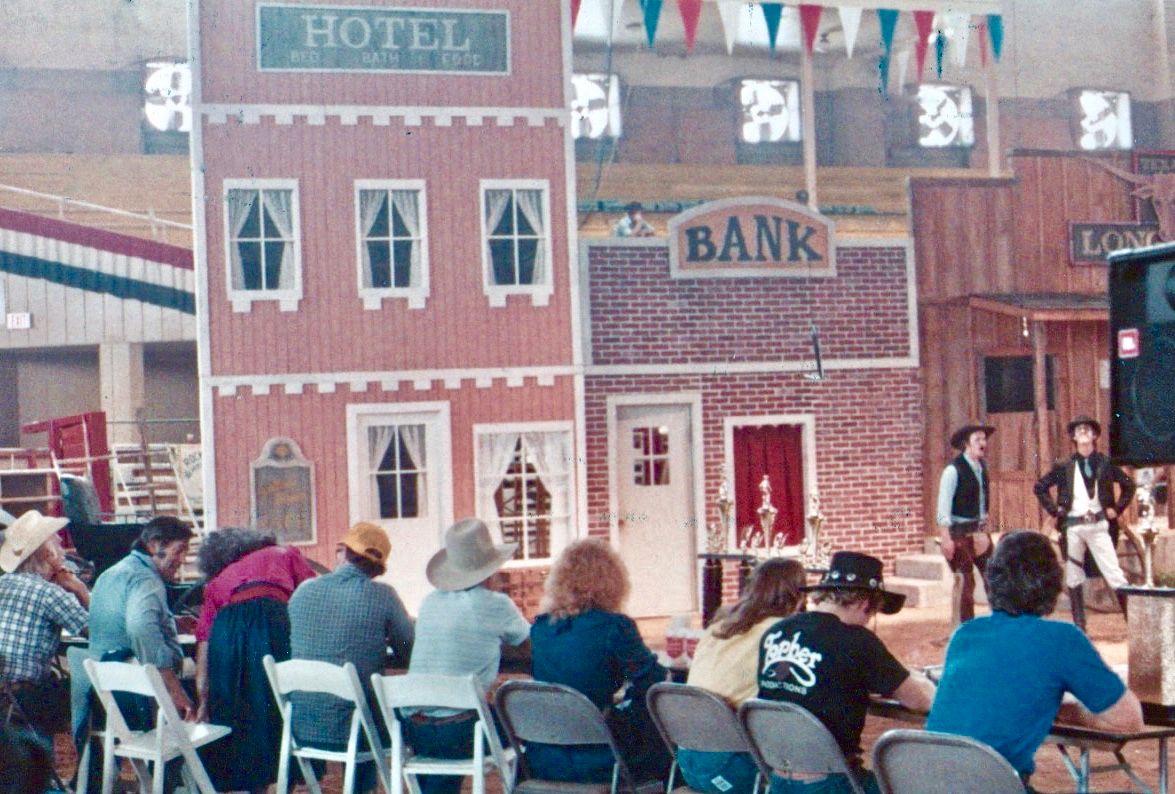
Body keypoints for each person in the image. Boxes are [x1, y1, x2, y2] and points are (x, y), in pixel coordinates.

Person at [926, 531, 1142, 788]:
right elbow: (1129, 720)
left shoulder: (965, 635)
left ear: (993, 580)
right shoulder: (1061, 640)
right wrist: (1068, 712)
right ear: (1052, 583)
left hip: (931, 783)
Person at [757, 551, 935, 794]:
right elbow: (921, 700)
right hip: (833, 783)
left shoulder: (777, 631)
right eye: (872, 615)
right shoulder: (857, 641)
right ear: (864, 604)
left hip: (778, 780)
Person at [528, 539, 671, 786]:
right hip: (598, 756)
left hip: (544, 756)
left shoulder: (541, 628)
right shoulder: (615, 627)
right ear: (611, 581)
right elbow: (654, 681)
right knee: (659, 729)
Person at [404, 518, 530, 794]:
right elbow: (531, 645)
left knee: (460, 719)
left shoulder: (429, 602)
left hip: (415, 731)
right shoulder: (496, 604)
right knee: (528, 720)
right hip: (461, 734)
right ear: (491, 569)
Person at [288, 521, 414, 794]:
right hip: (358, 731)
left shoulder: (302, 592)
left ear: (342, 551)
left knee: (356, 701)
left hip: (301, 726)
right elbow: (409, 650)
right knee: (372, 704)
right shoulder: (383, 595)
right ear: (376, 568)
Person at [194, 527, 317, 793]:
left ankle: (248, 784)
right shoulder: (283, 553)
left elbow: (204, 639)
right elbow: (311, 594)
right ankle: (284, 775)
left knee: (234, 703)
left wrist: (204, 699)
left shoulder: (217, 581)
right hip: (271, 619)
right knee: (274, 700)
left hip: (226, 630)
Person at [678, 558, 808, 794]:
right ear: (798, 595)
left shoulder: (718, 627)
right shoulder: (783, 634)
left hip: (688, 760)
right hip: (734, 768)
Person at [1033, 414, 1136, 630]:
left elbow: (1129, 485)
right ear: (1073, 437)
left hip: (1099, 526)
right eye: (1079, 430)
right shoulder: (1064, 465)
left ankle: (1133, 625)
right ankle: (1080, 627)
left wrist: (1116, 509)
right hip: (1073, 527)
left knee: (1114, 573)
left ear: (1095, 435)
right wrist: (1055, 510)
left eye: (1088, 430)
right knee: (1073, 575)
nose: (1083, 433)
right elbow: (1040, 486)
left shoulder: (1106, 463)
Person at [88, 515, 195, 715]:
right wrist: (175, 689)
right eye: (179, 550)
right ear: (154, 546)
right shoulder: (147, 580)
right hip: (139, 694)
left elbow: (118, 619)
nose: (182, 560)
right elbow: (141, 629)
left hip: (106, 691)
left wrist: (170, 621)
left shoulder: (111, 573)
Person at [0, 510, 89, 741]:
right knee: (92, 693)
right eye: (59, 547)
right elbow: (98, 632)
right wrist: (78, 588)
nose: (64, 552)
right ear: (49, 555)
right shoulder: (50, 593)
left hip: (5, 694)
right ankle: (90, 773)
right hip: (22, 698)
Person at [936, 422, 996, 624]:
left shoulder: (981, 467)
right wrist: (946, 540)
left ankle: (1002, 623)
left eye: (984, 439)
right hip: (958, 534)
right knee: (965, 582)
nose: (983, 443)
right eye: (977, 439)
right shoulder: (952, 471)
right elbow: (943, 509)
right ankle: (963, 630)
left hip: (978, 532)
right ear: (966, 445)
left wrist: (984, 530)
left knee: (995, 576)